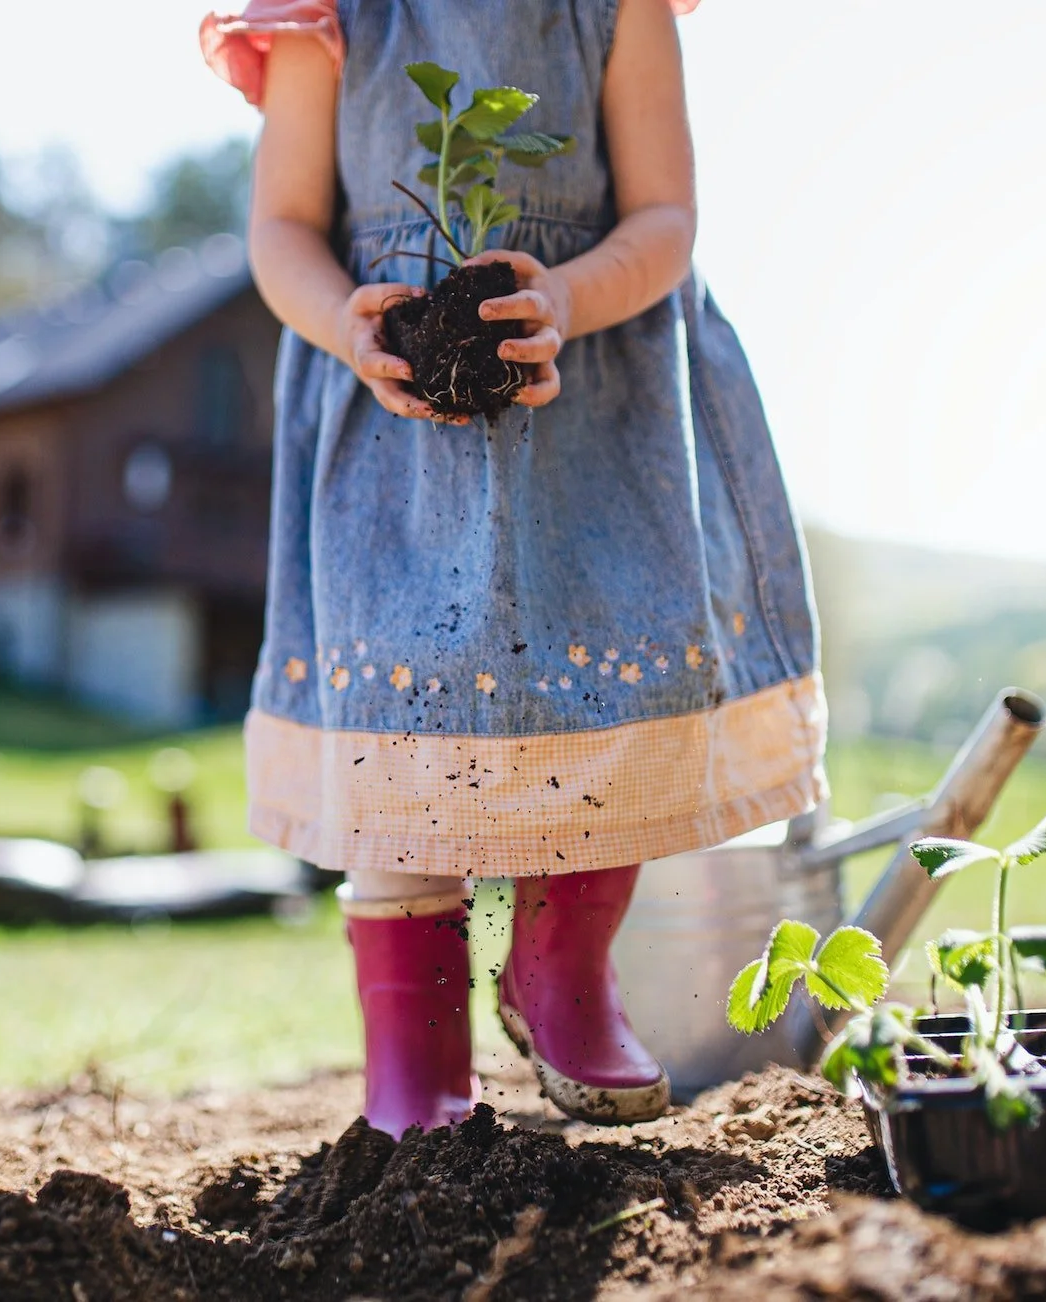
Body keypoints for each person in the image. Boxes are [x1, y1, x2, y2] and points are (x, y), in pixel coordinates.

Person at [200, 0, 825, 1134]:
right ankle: (416, 1058)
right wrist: (347, 321)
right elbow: (281, 228)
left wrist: (567, 295)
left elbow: (663, 216)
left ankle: (561, 970)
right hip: (389, 431)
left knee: (601, 700)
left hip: (594, 410)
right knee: (399, 741)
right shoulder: (324, 15)